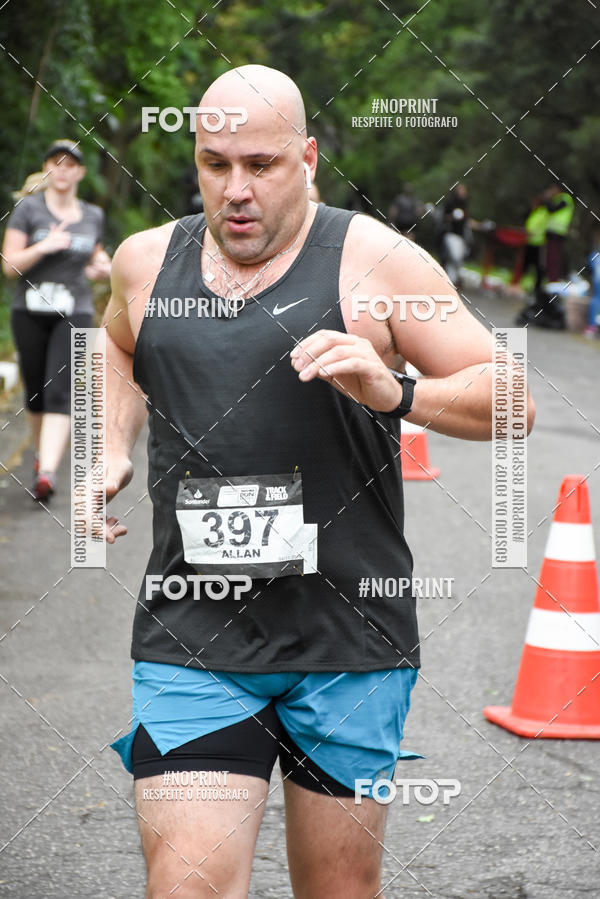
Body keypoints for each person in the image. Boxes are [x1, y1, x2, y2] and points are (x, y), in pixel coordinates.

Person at [103, 66, 534, 897]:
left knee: (337, 887)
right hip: (196, 640)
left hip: (349, 643)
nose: (236, 189)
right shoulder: (147, 263)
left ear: (306, 158)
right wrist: (107, 445)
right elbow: (112, 345)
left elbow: (511, 398)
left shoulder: (378, 262)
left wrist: (395, 391)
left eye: (260, 165)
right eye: (214, 163)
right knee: (185, 882)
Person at [2, 139, 111, 500]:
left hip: (74, 310)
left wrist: (102, 267)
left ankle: (46, 473)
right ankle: (40, 458)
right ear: (47, 169)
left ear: (79, 172)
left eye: (70, 164)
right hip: (30, 310)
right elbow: (9, 265)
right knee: (35, 395)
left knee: (59, 390)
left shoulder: (92, 215)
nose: (62, 169)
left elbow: (97, 259)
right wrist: (44, 246)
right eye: (55, 163)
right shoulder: (28, 210)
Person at [514, 193, 548, 326]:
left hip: (538, 244)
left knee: (538, 269)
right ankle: (524, 288)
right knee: (526, 267)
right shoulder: (536, 212)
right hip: (530, 242)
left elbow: (538, 228)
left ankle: (535, 291)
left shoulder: (543, 213)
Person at [439, 183, 471, 288]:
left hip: (461, 237)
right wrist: (453, 216)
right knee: (454, 257)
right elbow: (443, 218)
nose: (463, 193)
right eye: (461, 190)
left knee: (458, 260)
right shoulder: (450, 203)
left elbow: (468, 221)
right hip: (451, 235)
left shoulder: (464, 205)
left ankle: (450, 282)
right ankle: (448, 282)